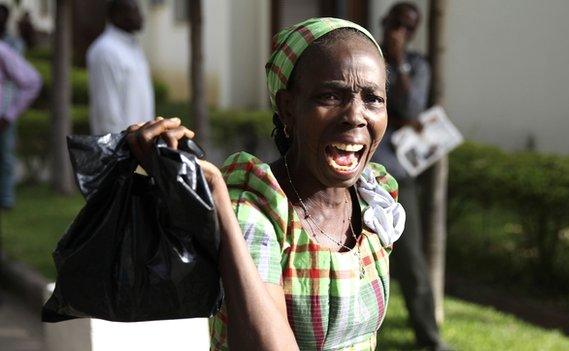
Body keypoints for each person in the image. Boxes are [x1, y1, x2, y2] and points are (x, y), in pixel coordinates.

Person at [126, 17, 406, 350]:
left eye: (373, 99)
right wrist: (219, 203)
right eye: (330, 96)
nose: (355, 116)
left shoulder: (374, 201)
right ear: (288, 109)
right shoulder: (257, 211)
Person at [372, 3, 450, 351]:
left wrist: (399, 60)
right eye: (395, 23)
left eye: (408, 27)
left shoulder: (416, 65)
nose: (399, 31)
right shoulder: (366, 55)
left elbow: (411, 107)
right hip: (361, 170)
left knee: (411, 262)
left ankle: (430, 339)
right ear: (384, 21)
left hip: (398, 176)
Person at [87, 0, 153, 135]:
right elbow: (107, 110)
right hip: (120, 147)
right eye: (132, 11)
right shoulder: (105, 50)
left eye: (138, 11)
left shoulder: (132, 47)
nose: (139, 16)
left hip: (140, 143)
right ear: (115, 15)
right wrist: (118, 150)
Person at [0, 5, 40, 210]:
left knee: (5, 157)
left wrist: (10, 114)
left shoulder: (6, 48)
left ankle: (6, 200)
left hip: (4, 113)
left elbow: (31, 80)